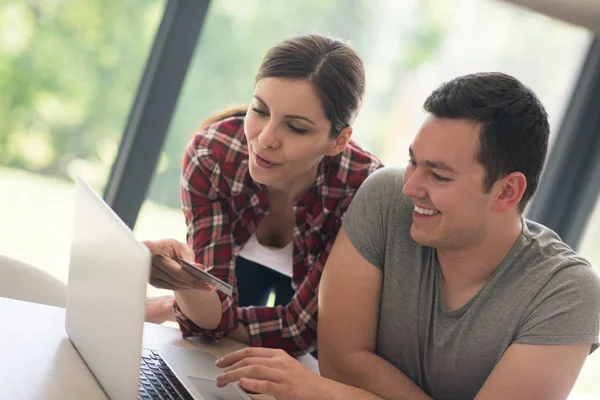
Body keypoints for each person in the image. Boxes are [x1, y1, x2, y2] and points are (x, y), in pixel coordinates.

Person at [213, 72, 600, 400]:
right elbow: (340, 361)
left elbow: (332, 384)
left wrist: (328, 394)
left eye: (439, 175)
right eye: (413, 161)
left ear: (506, 192)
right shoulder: (385, 196)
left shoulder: (566, 293)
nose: (411, 187)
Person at [143, 33, 383, 356]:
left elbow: (299, 332)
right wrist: (184, 282)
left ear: (339, 141)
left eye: (296, 128)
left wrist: (196, 312)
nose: (265, 139)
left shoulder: (362, 192)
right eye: (259, 110)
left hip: (312, 316)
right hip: (243, 276)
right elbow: (214, 314)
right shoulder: (213, 157)